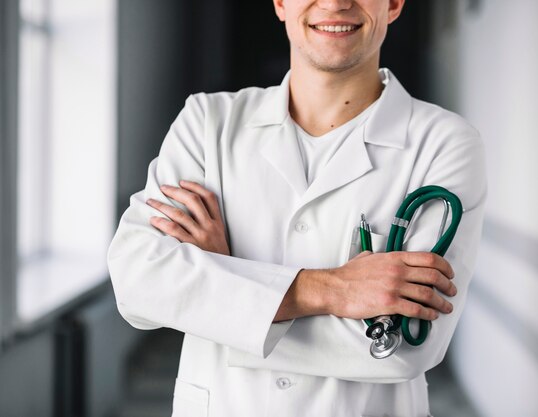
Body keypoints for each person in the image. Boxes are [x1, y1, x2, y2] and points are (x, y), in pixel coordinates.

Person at [107, 0, 487, 416]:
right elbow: (139, 282)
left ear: (394, 3)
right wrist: (333, 288)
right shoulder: (206, 123)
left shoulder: (444, 144)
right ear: (280, 3)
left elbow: (405, 347)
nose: (336, 3)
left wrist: (223, 282)